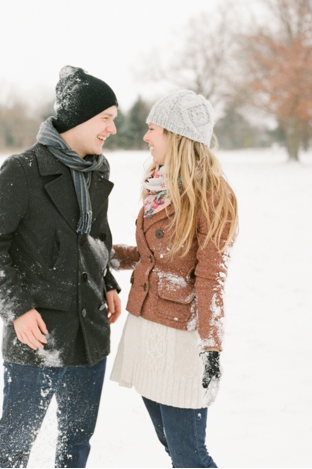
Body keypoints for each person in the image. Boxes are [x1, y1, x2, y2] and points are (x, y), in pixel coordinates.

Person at [0, 66, 122, 468]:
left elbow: (95, 237)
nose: (112, 128)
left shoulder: (97, 170)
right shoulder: (22, 170)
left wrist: (107, 281)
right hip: (38, 332)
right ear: (80, 118)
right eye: (106, 118)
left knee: (77, 441)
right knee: (14, 443)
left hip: (89, 329)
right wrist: (18, 310)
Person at [109, 90, 238, 468]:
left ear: (177, 135)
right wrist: (107, 254)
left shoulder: (211, 194)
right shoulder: (158, 185)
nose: (145, 137)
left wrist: (211, 347)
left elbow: (211, 276)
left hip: (182, 337)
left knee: (188, 454)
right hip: (146, 326)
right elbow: (154, 257)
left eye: (153, 129)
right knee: (171, 443)